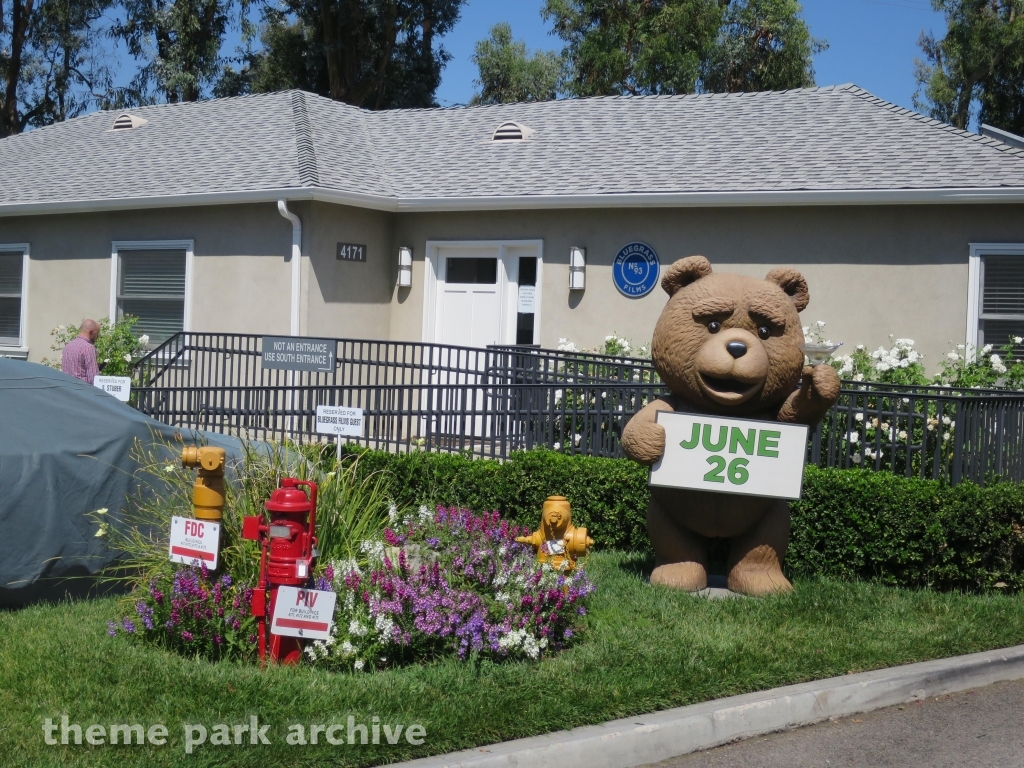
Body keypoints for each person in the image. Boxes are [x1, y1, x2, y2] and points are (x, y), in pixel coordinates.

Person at [61, 319, 100, 384]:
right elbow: (93, 378)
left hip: (67, 389)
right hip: (82, 390)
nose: (97, 337)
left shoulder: (67, 347)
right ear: (91, 332)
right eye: (97, 334)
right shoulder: (88, 348)